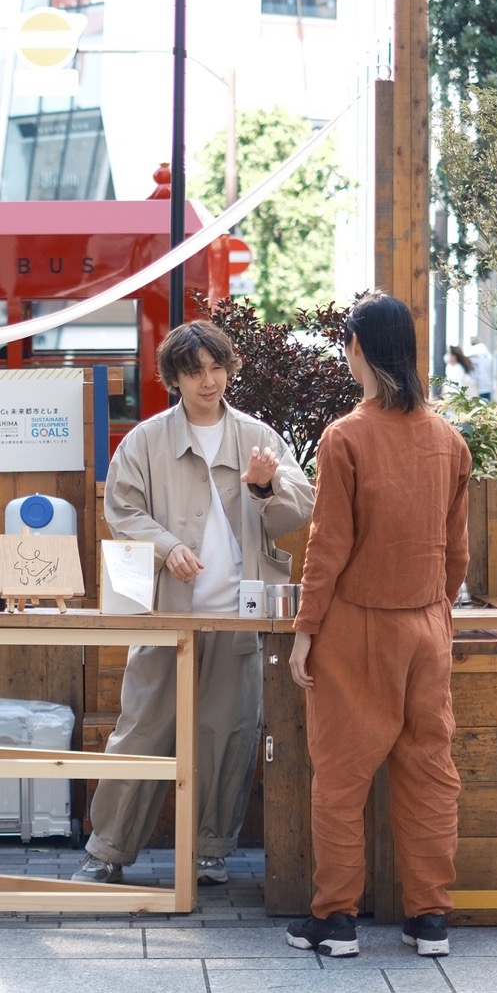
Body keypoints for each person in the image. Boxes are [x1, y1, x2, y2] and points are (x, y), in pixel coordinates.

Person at [73, 320, 313, 886]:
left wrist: (261, 488)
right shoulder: (146, 440)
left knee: (227, 730)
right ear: (174, 379)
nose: (209, 381)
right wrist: (167, 547)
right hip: (165, 611)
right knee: (142, 728)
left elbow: (298, 507)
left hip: (240, 612)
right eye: (194, 371)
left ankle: (208, 850)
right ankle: (107, 850)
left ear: (230, 369)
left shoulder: (260, 437)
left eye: (216, 367)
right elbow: (122, 510)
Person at [285, 291, 470, 959]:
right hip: (427, 627)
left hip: (357, 630)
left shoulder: (346, 437)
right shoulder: (449, 438)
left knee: (340, 778)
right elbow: (458, 553)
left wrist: (306, 631)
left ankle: (335, 920)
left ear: (356, 348)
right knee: (429, 771)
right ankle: (430, 921)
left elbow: (327, 546)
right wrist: (435, 610)